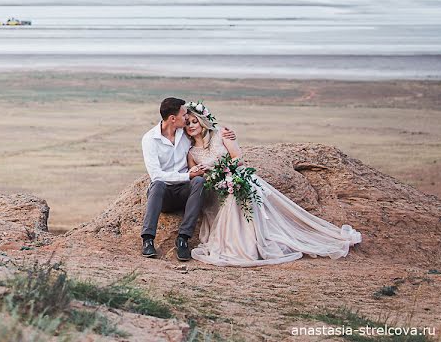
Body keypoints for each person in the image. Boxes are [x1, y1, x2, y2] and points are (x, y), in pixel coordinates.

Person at [184, 101, 362, 267]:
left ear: (203, 122)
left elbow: (238, 159)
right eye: (188, 123)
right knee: (231, 191)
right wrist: (203, 172)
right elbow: (195, 178)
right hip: (215, 188)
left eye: (194, 121)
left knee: (240, 188)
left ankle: (252, 242)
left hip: (234, 175)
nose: (191, 126)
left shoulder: (222, 134)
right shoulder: (192, 152)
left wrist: (222, 169)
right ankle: (239, 244)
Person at [140, 97, 237, 260]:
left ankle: (183, 239)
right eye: (184, 114)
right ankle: (148, 240)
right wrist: (187, 175)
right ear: (173, 118)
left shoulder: (185, 134)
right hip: (164, 195)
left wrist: (225, 133)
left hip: (185, 191)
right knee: (157, 184)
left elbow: (205, 129)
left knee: (199, 182)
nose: (186, 118)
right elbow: (156, 174)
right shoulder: (150, 139)